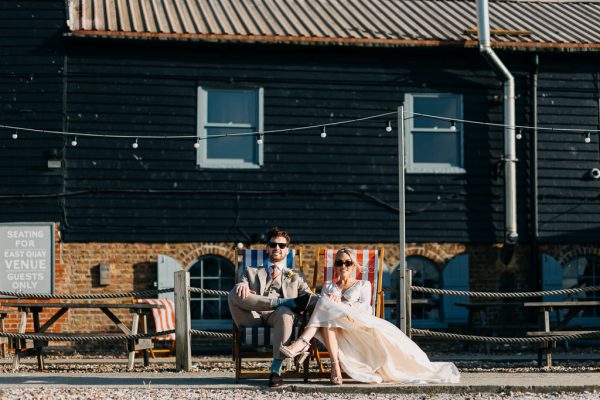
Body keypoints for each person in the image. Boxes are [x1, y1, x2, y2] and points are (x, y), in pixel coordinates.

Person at [280, 248, 460, 385]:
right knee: (326, 313)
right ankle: (335, 366)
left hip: (358, 324)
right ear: (335, 266)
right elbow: (325, 309)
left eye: (347, 263)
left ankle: (302, 342)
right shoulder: (328, 286)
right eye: (339, 263)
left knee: (323, 304)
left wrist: (338, 304)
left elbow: (365, 310)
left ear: (353, 266)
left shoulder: (363, 284)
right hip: (334, 328)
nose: (343, 266)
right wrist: (330, 302)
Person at [228, 227, 314, 388]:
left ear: (287, 250)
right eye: (273, 245)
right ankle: (280, 302)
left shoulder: (296, 276)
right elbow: (241, 288)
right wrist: (241, 286)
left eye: (282, 246)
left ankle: (276, 370)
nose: (277, 248)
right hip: (252, 317)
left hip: (279, 319)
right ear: (267, 247)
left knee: (286, 312)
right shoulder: (250, 271)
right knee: (234, 292)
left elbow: (308, 298)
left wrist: (329, 299)